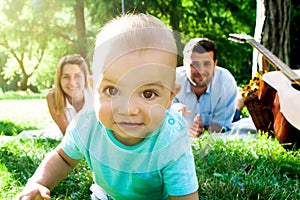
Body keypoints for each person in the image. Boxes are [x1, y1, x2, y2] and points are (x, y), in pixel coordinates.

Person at [16, 13, 199, 200]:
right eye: (112, 90)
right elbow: (63, 158)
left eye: (147, 94)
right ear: (94, 87)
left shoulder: (172, 138)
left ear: (169, 98)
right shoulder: (88, 123)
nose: (128, 109)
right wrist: (38, 182)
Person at [173, 38, 238, 137]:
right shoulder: (172, 80)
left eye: (207, 64)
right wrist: (174, 112)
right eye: (194, 64)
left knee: (236, 115)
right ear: (184, 63)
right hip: (185, 126)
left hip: (220, 115)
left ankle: (240, 102)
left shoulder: (226, 83)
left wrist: (201, 130)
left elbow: (222, 125)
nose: (201, 71)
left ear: (215, 64)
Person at [46, 54, 92, 136]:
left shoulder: (96, 89)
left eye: (77, 76)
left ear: (85, 77)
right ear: (59, 79)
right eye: (66, 77)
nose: (72, 83)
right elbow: (70, 137)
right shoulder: (53, 97)